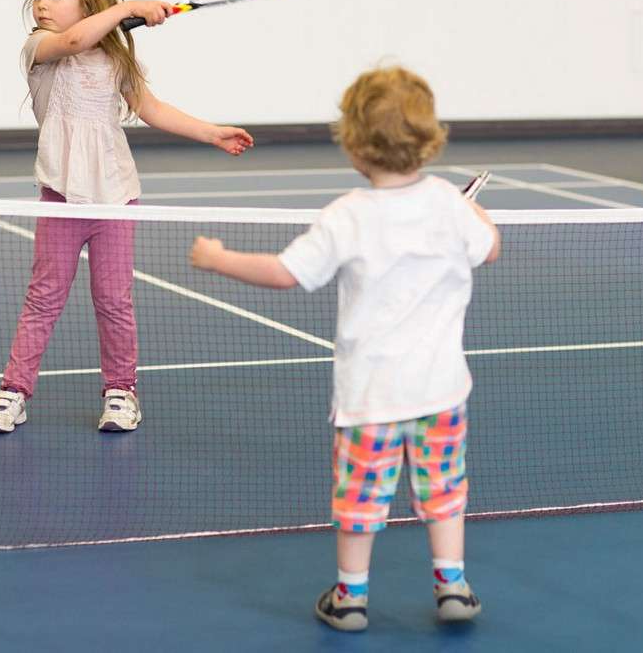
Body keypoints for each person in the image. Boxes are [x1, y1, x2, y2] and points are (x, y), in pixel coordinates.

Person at [189, 66, 500, 631]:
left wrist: (218, 258)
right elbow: (491, 247)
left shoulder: (347, 215)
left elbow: (286, 274)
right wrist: (473, 212)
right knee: (444, 491)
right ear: (430, 138)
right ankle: (452, 584)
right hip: (440, 393)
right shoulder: (450, 207)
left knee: (360, 501)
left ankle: (350, 598)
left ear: (354, 146)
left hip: (368, 399)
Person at [0, 0, 254, 434]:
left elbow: (152, 108)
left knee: (114, 300)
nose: (41, 3)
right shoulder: (41, 46)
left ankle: (121, 391)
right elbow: (75, 37)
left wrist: (212, 132)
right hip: (61, 199)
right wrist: (128, 9)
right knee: (43, 298)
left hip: (114, 196)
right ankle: (13, 392)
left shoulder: (114, 57)